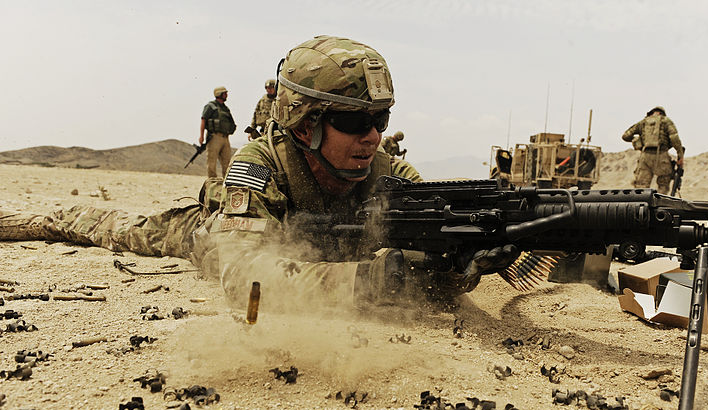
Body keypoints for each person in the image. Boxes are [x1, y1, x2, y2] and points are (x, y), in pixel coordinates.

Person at [0, 36, 517, 311]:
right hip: (218, 232)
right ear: (306, 123)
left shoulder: (394, 175)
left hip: (320, 255)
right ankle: (45, 218)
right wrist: (371, 280)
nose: (373, 137)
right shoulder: (260, 166)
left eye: (380, 120)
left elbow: (429, 279)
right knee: (123, 229)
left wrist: (459, 268)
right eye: (354, 122)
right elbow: (245, 279)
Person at [621, 106, 684, 193]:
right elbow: (674, 138)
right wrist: (680, 156)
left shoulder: (643, 122)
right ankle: (660, 201)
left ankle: (642, 201)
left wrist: (637, 140)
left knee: (641, 186)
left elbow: (625, 136)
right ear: (661, 113)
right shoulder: (666, 121)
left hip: (645, 156)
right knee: (663, 184)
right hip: (662, 156)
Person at [200, 86, 237, 178]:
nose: (226, 95)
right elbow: (203, 120)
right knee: (212, 162)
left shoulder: (225, 108)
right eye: (225, 93)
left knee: (227, 163)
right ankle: (212, 182)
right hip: (214, 137)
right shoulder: (210, 106)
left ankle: (226, 182)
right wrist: (201, 136)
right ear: (219, 94)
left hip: (225, 138)